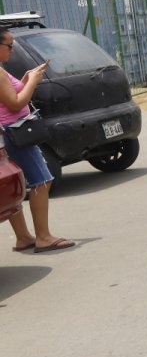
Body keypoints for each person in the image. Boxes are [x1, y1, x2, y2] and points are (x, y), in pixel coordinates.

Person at [1, 30, 73, 253]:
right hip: (16, 132)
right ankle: (43, 237)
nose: (12, 50)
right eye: (9, 46)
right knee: (42, 180)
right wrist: (32, 82)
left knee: (16, 185)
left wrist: (24, 81)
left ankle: (23, 237)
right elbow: (15, 103)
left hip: (8, 133)